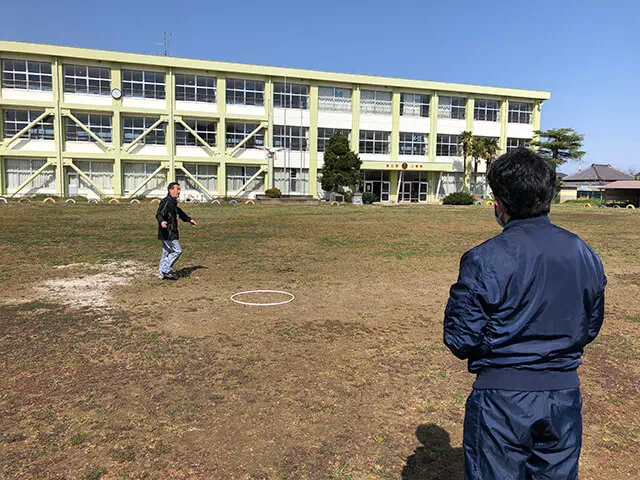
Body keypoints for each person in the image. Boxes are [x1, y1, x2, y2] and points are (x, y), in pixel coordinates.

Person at [443, 148, 606, 480]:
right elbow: (590, 325)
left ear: (500, 204)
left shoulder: (485, 259)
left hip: (502, 400)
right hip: (563, 398)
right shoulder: (584, 252)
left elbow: (460, 338)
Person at [156, 182, 198, 280]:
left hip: (169, 232)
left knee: (166, 252)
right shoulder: (166, 201)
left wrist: (188, 219)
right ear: (171, 190)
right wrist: (162, 222)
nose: (179, 191)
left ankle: (161, 274)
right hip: (168, 232)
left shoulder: (173, 202)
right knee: (177, 251)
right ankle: (165, 270)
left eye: (179, 189)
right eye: (177, 189)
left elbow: (179, 212)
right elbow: (159, 214)